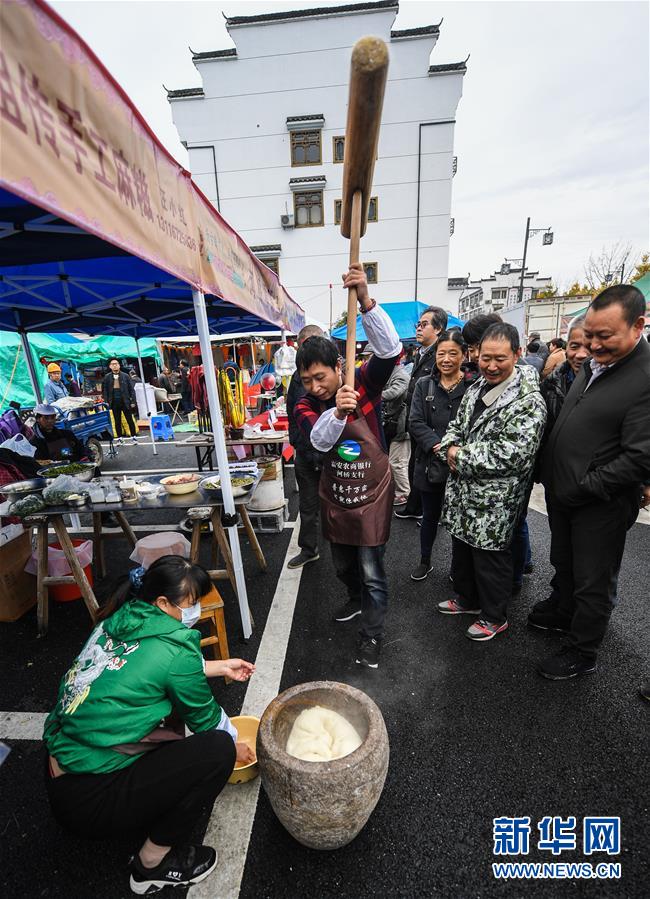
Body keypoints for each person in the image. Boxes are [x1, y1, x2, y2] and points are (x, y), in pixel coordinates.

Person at [43, 556, 255, 895]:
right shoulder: (176, 649)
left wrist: (216, 667)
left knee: (173, 732)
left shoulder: (118, 618)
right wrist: (236, 747)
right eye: (192, 602)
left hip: (60, 771)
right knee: (216, 751)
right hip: (90, 801)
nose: (197, 610)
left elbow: (144, 667)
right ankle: (151, 865)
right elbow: (207, 720)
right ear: (162, 603)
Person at [533, 285, 650, 680]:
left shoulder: (644, 377)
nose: (593, 346)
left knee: (593, 579)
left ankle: (583, 650)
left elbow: (639, 457)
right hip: (565, 492)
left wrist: (586, 485)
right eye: (589, 336)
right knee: (564, 562)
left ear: (637, 326)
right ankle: (564, 612)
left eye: (604, 336)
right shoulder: (595, 365)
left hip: (600, 502)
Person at [293, 263, 401, 668]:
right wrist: (337, 412)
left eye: (321, 377)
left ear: (339, 366)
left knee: (372, 568)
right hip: (338, 493)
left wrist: (366, 300)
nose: (315, 386)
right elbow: (318, 441)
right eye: (307, 380)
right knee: (342, 563)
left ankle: (372, 634)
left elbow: (390, 352)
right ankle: (354, 598)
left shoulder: (363, 381)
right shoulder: (306, 404)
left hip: (372, 492)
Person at [436, 323, 546, 641]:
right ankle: (467, 599)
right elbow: (455, 426)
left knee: (490, 558)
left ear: (517, 354)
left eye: (500, 358)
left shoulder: (529, 401)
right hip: (464, 493)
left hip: (497, 499)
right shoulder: (476, 387)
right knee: (463, 551)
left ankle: (494, 616)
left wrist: (457, 455)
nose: (491, 365)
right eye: (486, 358)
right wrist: (449, 446)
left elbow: (511, 454)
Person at [408, 331, 468, 581]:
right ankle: (425, 560)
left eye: (453, 353)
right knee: (429, 516)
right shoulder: (425, 384)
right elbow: (415, 422)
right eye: (441, 353)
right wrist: (440, 447)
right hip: (430, 463)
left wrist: (458, 452)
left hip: (461, 464)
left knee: (459, 519)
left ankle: (458, 568)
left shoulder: (473, 386)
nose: (446, 359)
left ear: (464, 355)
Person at [395, 305, 448, 520]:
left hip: (431, 422)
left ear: (438, 329)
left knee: (431, 467)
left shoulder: (441, 355)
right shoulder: (421, 353)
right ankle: (415, 507)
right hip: (416, 418)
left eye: (424, 325)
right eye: (418, 324)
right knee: (416, 464)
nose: (418, 328)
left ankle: (431, 512)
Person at [286, 323, 326, 570]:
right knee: (307, 504)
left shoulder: (335, 373)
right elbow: (292, 412)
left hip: (331, 454)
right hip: (304, 452)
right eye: (305, 345)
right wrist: (296, 441)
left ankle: (343, 546)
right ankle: (309, 549)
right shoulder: (296, 377)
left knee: (338, 503)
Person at [539, 319, 590, 437]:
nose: (581, 355)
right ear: (566, 348)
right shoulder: (549, 385)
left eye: (589, 347)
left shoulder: (613, 388)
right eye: (574, 346)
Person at [381, 354, 410, 505]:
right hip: (392, 424)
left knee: (397, 462)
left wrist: (374, 395)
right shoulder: (388, 372)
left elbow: (394, 392)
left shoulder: (401, 375)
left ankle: (404, 493)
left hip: (401, 425)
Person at [102, 358, 138, 444]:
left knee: (129, 420)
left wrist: (133, 401)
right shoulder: (107, 377)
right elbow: (105, 391)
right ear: (110, 366)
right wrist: (106, 401)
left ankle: (134, 437)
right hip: (114, 402)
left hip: (125, 401)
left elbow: (131, 390)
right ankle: (120, 438)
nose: (115, 365)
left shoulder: (125, 376)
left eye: (116, 364)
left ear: (119, 365)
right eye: (113, 364)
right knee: (117, 421)